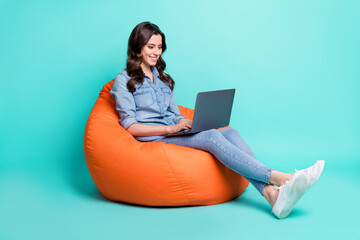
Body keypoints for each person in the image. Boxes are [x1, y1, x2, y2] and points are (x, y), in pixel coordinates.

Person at [110, 21, 325, 219]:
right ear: (137, 47)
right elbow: (131, 127)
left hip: (174, 131)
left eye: (159, 47)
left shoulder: (162, 78)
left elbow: (173, 112)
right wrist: (172, 127)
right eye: (151, 47)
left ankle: (272, 195)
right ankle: (282, 179)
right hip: (156, 137)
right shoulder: (124, 79)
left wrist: (185, 122)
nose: (157, 52)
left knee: (230, 132)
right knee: (212, 136)